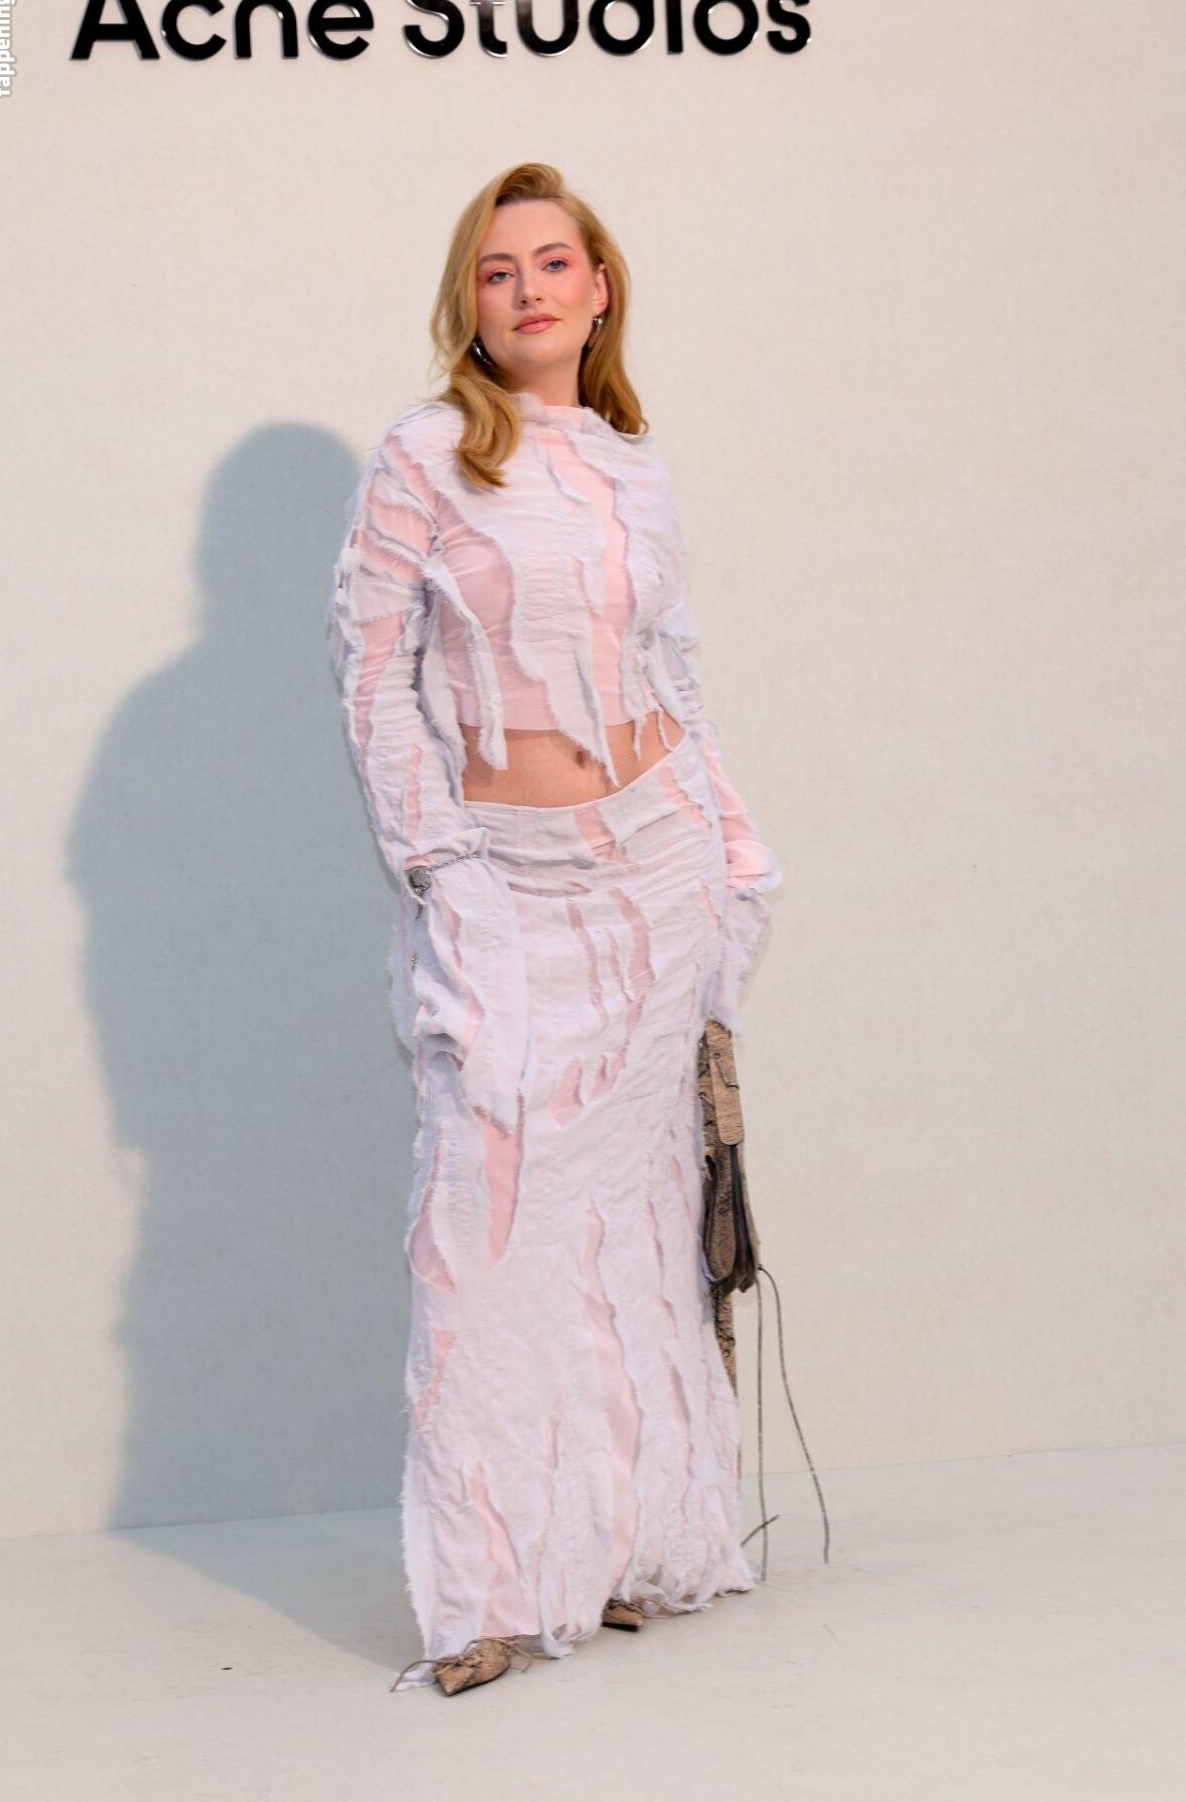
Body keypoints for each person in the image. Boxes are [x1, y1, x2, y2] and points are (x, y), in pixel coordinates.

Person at [326, 161, 781, 1695]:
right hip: (507, 880)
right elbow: (370, 679)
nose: (528, 288)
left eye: (554, 262)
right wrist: (440, 869)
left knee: (636, 1220)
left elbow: (675, 670)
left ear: (599, 291)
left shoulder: (633, 466)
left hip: (657, 866)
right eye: (498, 267)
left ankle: (635, 1552)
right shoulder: (424, 457)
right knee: (487, 1227)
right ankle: (486, 1600)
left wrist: (733, 849)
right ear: (471, 300)